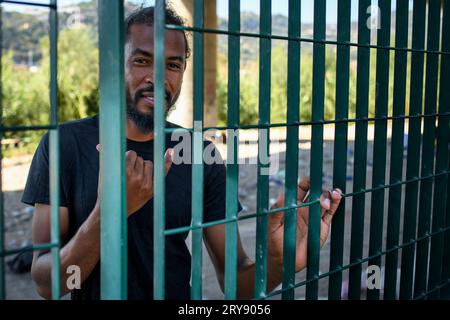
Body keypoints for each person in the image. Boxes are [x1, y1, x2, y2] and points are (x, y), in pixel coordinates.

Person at [21, 6, 342, 300]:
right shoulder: (66, 144)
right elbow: (48, 284)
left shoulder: (201, 154)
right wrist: (109, 214)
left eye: (172, 65)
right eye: (142, 60)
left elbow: (237, 285)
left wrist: (276, 259)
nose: (158, 77)